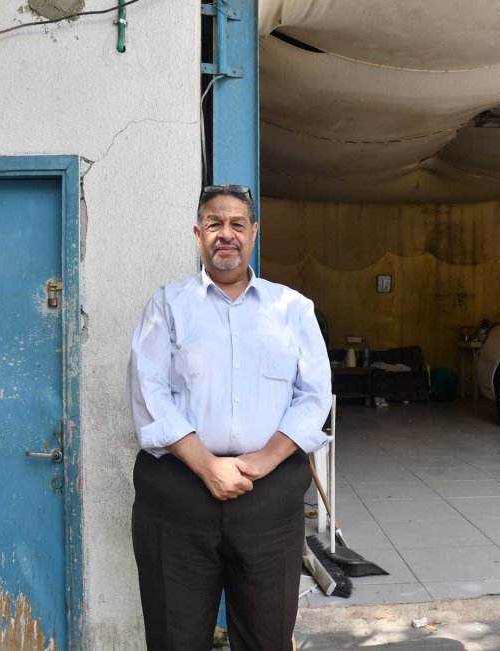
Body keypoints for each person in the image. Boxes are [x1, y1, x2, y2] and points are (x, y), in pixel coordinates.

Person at [127, 183, 332, 650]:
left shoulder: (292, 309)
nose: (227, 234)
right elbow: (147, 390)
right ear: (198, 234)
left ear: (253, 233)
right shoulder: (167, 305)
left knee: (267, 637)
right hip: (178, 496)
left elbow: (315, 395)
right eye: (215, 224)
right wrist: (205, 465)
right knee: (174, 637)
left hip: (269, 496)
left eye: (237, 224)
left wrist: (264, 459)